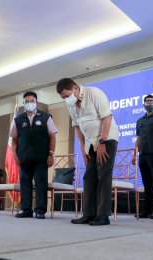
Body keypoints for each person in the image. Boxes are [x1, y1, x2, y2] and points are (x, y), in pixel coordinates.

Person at [57, 78, 119, 226]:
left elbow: (107, 117)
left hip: (106, 139)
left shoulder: (94, 93)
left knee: (103, 175)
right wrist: (83, 148)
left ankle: (103, 215)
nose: (66, 99)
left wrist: (102, 142)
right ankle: (89, 214)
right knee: (89, 177)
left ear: (75, 88)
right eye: (63, 98)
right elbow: (77, 126)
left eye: (67, 95)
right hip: (89, 142)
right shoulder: (71, 105)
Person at [10, 91, 58, 219]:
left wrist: (51, 154)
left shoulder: (46, 117)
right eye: (27, 101)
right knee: (25, 183)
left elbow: (52, 136)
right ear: (24, 103)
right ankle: (26, 210)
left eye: (32, 101)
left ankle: (40, 210)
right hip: (23, 157)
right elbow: (14, 138)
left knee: (40, 184)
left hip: (41, 157)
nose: (29, 103)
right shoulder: (18, 119)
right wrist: (15, 155)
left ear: (36, 102)